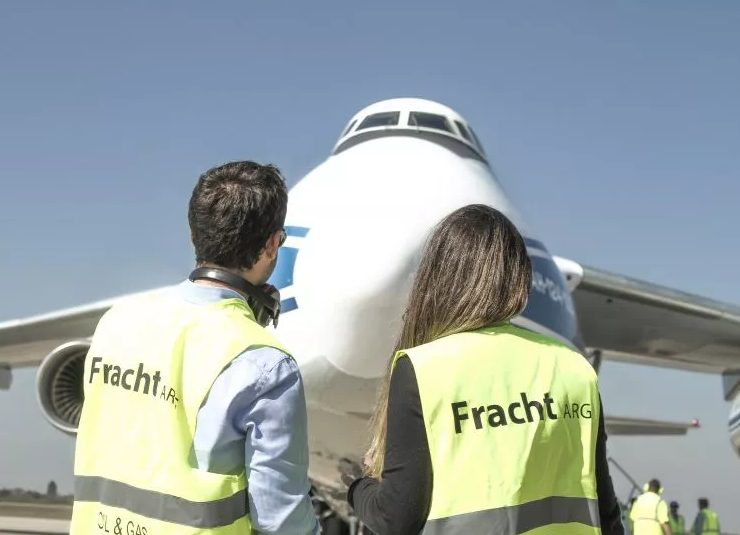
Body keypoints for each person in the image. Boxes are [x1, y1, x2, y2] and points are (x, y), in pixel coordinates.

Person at [69, 161, 320, 534]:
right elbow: (281, 520)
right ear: (272, 244)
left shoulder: (115, 323)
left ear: (192, 234)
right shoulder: (263, 362)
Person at [343, 204, 624, 535]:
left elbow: (396, 518)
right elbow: (605, 512)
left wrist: (356, 488)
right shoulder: (575, 369)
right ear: (519, 276)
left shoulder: (423, 368)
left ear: (440, 276)